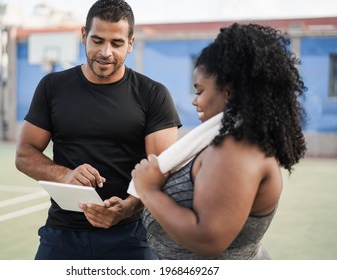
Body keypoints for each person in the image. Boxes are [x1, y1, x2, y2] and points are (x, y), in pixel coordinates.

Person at [15, 0, 181, 260]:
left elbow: (162, 170)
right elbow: (24, 154)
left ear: (130, 43)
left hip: (131, 234)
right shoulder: (52, 86)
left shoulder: (153, 94)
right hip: (62, 234)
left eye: (116, 43)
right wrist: (66, 175)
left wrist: (128, 207)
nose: (105, 52)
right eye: (97, 40)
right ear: (84, 36)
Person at [131, 23, 307, 260]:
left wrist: (149, 190)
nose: (195, 101)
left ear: (229, 91)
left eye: (200, 90)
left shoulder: (237, 149)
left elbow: (208, 239)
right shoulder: (224, 141)